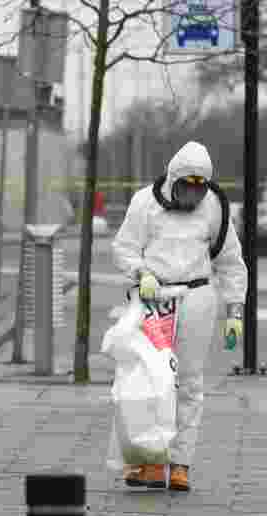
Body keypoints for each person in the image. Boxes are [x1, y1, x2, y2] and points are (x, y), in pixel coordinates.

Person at [112, 141, 247, 492]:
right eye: (187, 187)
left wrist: (235, 311)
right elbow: (124, 246)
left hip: (197, 298)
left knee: (188, 382)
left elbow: (230, 261)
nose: (193, 196)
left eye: (199, 189)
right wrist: (142, 273)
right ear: (173, 180)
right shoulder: (145, 203)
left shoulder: (214, 206)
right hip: (154, 297)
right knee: (148, 379)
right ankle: (150, 461)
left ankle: (180, 462)